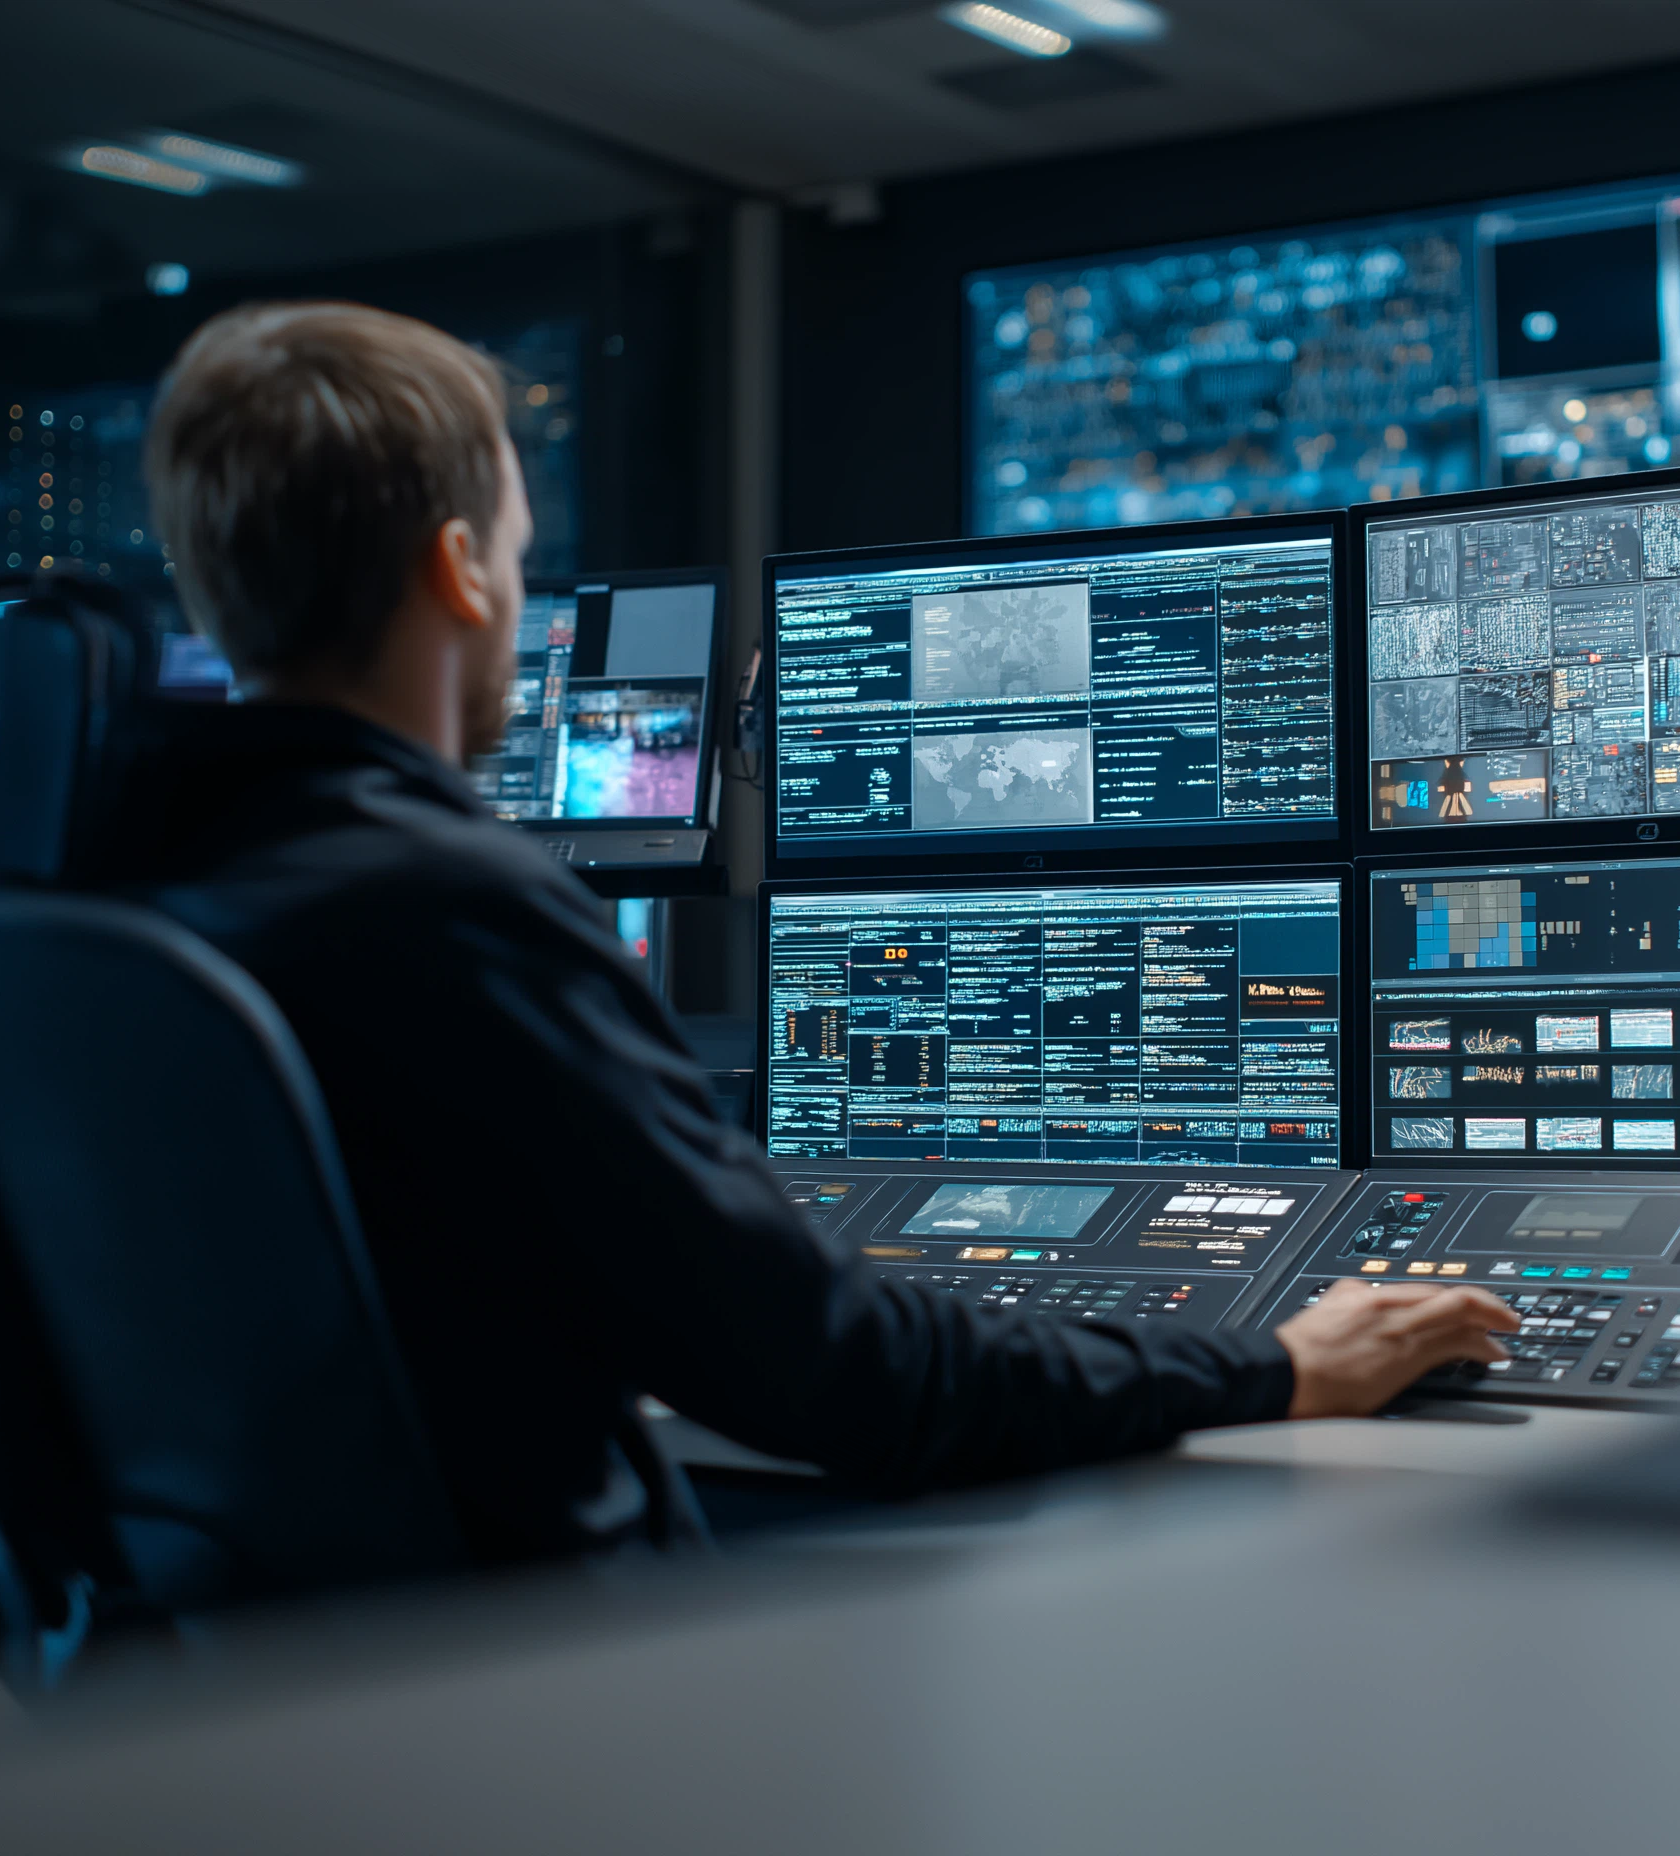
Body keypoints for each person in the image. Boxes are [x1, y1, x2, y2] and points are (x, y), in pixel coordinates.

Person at [115, 300, 1514, 1564]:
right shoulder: (449, 911)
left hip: (230, 1689)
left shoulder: (130, 905)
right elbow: (851, 1381)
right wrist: (1274, 1370)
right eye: (524, 563)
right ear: (463, 573)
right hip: (502, 1698)